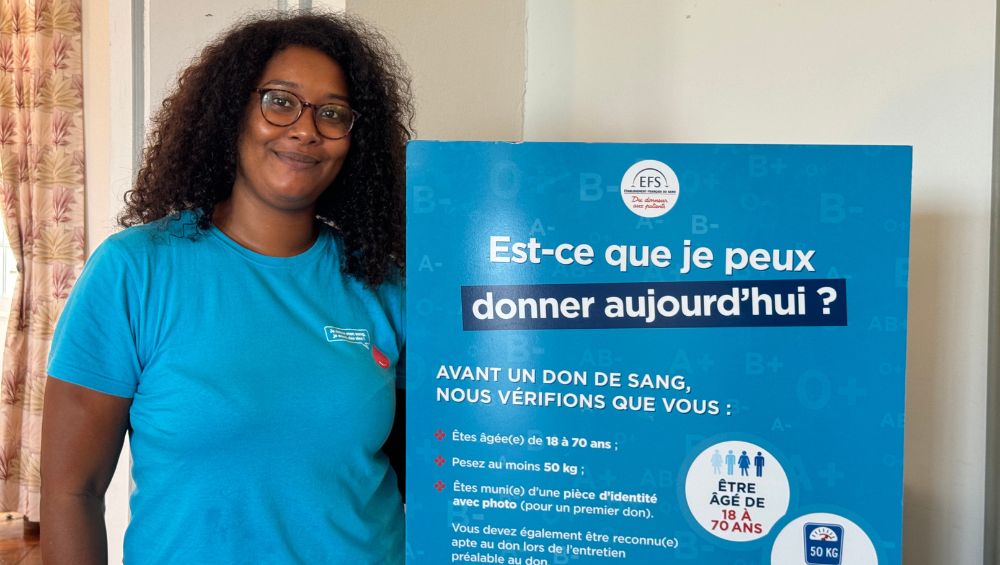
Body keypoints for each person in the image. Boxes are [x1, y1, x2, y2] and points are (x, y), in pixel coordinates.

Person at [40, 11, 412, 564]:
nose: (306, 129)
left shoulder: (383, 283)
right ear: (232, 111)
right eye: (280, 102)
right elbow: (72, 492)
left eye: (333, 113)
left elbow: (433, 469)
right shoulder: (135, 271)